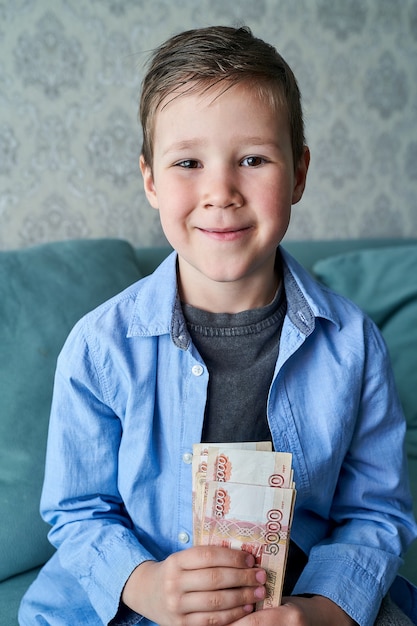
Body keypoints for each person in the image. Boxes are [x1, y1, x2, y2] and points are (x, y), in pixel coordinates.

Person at [19, 25, 417, 626]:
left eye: (253, 159)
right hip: (147, 598)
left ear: (299, 174)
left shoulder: (353, 344)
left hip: (299, 598)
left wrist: (318, 611)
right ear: (151, 180)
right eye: (188, 162)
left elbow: (376, 512)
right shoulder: (100, 347)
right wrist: (147, 585)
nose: (221, 192)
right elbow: (78, 512)